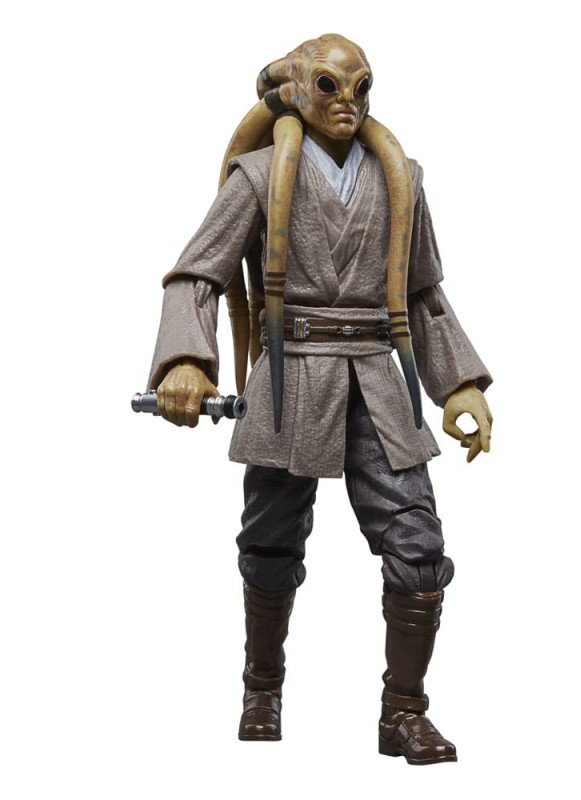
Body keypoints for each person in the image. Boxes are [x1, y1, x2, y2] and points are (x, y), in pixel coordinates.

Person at [146, 33, 493, 765]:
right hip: (290, 376)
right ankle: (261, 690)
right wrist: (186, 361)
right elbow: (197, 274)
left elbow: (424, 292)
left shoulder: (401, 178)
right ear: (296, 89)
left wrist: (457, 382)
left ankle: (404, 712)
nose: (349, 103)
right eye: (331, 86)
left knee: (419, 549)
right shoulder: (258, 175)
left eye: (362, 87)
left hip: (378, 377)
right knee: (270, 545)